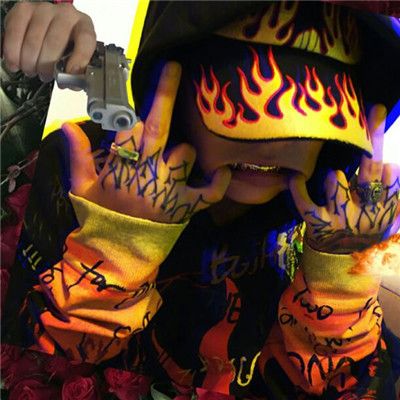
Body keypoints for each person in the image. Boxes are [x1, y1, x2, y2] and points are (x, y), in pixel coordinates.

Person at [2, 1, 400, 399]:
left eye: (320, 102)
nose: (278, 139)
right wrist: (114, 251)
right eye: (241, 90)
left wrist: (341, 287)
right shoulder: (78, 170)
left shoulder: (327, 223)